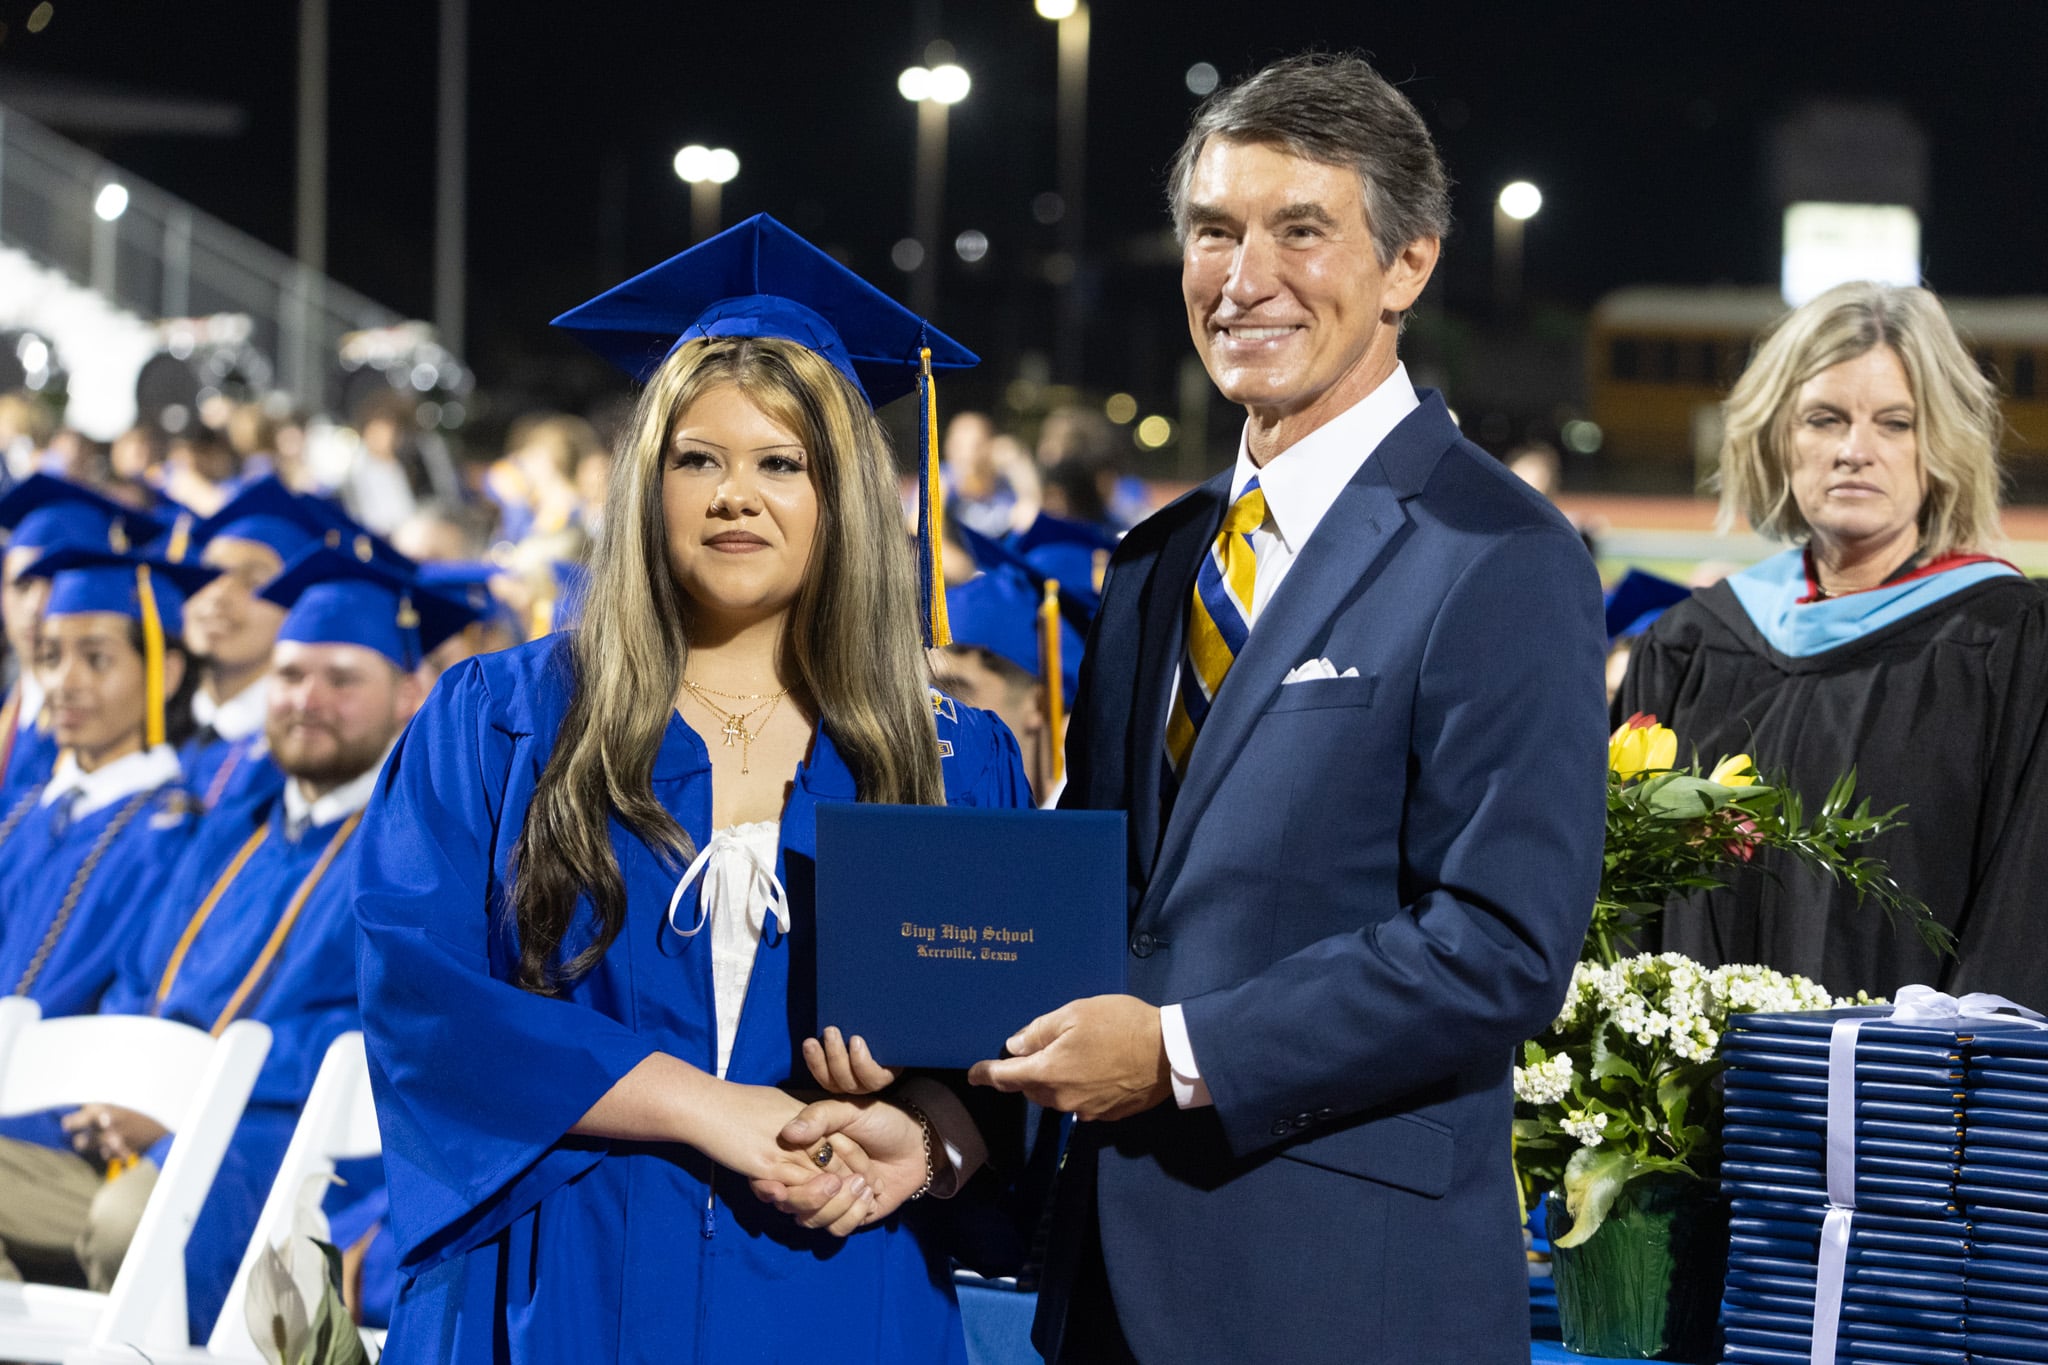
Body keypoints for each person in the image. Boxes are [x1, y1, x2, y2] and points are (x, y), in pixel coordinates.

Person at [968, 54, 1608, 1364]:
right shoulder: (1156, 564)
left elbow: (1499, 943)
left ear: (1408, 265)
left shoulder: (1501, 553)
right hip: (1105, 1284)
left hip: (1343, 1295)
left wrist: (1180, 1052)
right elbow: (1110, 904)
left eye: (1300, 230)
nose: (1244, 278)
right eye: (1215, 231)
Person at [352, 214, 1027, 1364]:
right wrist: (704, 1105)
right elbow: (420, 996)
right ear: (646, 485)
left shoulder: (949, 759)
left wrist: (925, 1132)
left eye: (781, 464)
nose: (734, 497)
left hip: (833, 1286)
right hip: (557, 1278)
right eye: (696, 459)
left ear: (843, 498)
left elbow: (1015, 1058)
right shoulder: (502, 721)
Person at [38, 546, 479, 1333]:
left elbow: (385, 1028)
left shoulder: (422, 851)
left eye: (341, 679)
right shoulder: (231, 827)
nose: (306, 699)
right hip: (138, 1120)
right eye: (289, 674)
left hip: (288, 1137)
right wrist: (133, 1079)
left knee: (131, 1226)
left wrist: (190, 1090)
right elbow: (139, 973)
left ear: (410, 693)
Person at [1618, 280, 2048, 1001]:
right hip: (1696, 1068)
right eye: (1824, 418)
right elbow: (1628, 906)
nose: (1856, 450)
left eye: (1896, 423)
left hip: (1911, 1070)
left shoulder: (2009, 646)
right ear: (1778, 437)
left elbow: (2025, 913)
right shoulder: (1693, 643)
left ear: (1941, 443)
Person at [0, 545, 212, 1021]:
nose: (64, 682)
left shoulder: (176, 836)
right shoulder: (20, 812)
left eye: (96, 659)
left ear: (166, 674)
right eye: (50, 657)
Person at [171, 476, 375, 812]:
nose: (218, 595)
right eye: (208, 574)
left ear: (300, 607)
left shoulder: (300, 762)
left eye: (254, 581)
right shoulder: (150, 726)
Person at [0, 475, 166, 795]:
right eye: (21, 585)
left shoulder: (115, 731)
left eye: (57, 584)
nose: (36, 606)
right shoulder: (12, 708)